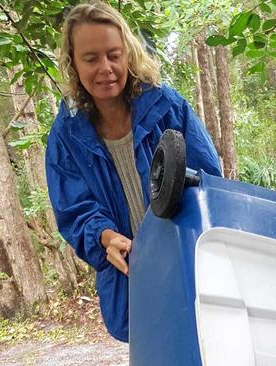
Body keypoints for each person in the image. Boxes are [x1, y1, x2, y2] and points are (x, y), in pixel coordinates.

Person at [45, 0, 221, 342]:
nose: (105, 68)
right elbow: (74, 210)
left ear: (127, 53)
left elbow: (208, 180)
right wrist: (104, 237)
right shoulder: (67, 135)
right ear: (73, 63)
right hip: (130, 276)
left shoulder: (167, 107)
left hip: (186, 261)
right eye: (91, 58)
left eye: (114, 54)